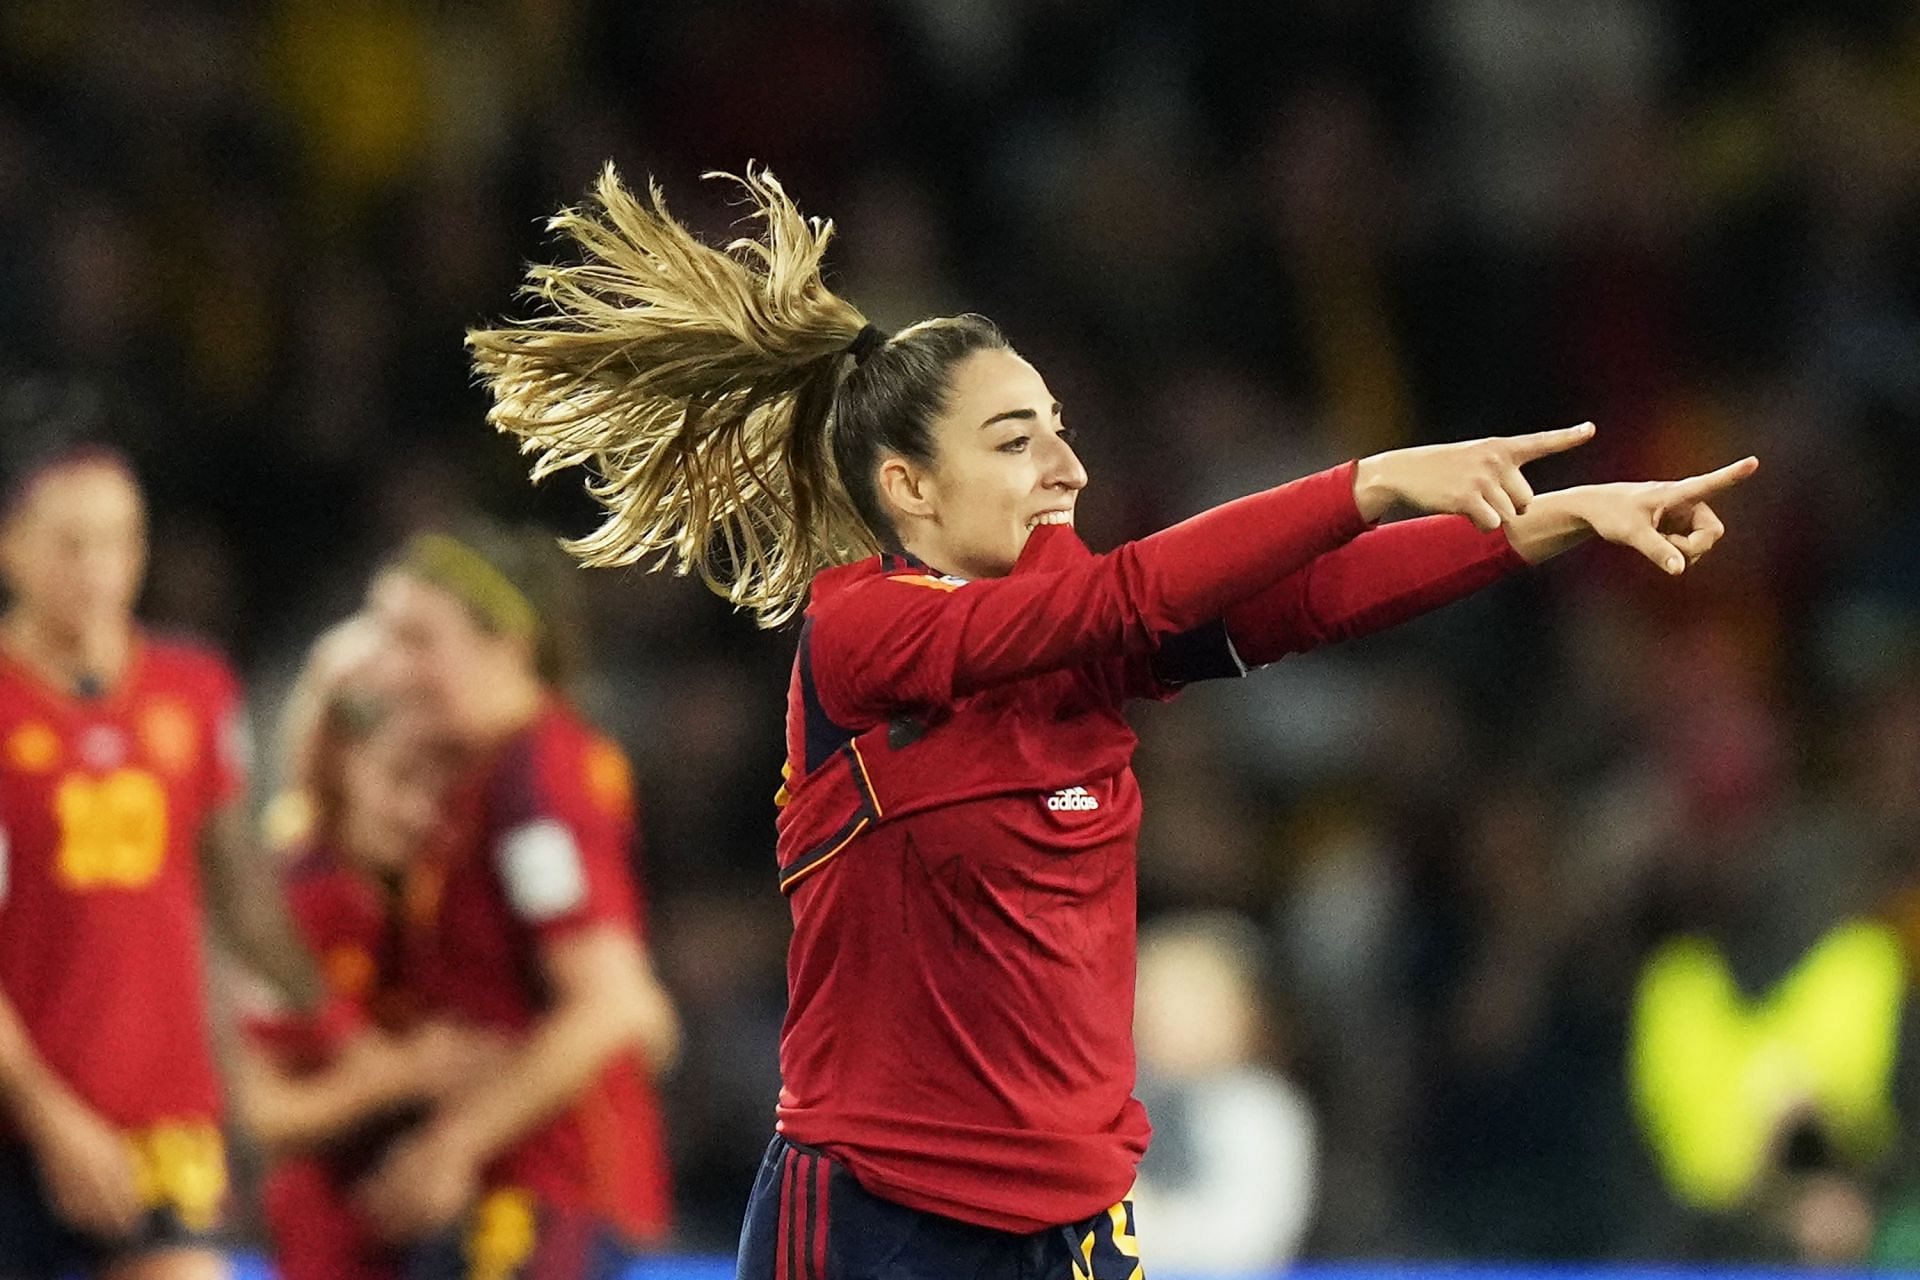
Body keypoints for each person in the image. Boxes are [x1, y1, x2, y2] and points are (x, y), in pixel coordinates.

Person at [465, 164, 1759, 1280]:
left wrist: (1553, 521)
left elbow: (1312, 604)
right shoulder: (862, 635)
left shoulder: (1084, 645)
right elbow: (1139, 594)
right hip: (876, 1221)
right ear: (909, 488)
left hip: (1074, 1226)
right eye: (1019, 441)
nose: (1070, 470)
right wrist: (1363, 480)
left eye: (1064, 435)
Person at [0, 436, 316, 1280]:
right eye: (71, 542)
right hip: (16, 1114)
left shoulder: (195, 690)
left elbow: (241, 896)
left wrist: (330, 1010)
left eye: (119, 540)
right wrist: (51, 1118)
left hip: (164, 1122)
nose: (98, 568)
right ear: (10, 546)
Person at [357, 525, 680, 1278]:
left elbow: (610, 1002)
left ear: (507, 645)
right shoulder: (488, 775)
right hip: (517, 1185)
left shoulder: (537, 782)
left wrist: (451, 1143)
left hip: (550, 1186)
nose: (389, 671)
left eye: (416, 642)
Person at [233, 618, 500, 1280]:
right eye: (400, 779)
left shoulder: (443, 893)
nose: (421, 810)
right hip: (335, 1250)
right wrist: (402, 1073)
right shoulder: (298, 905)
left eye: (441, 788)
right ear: (339, 762)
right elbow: (261, 1111)